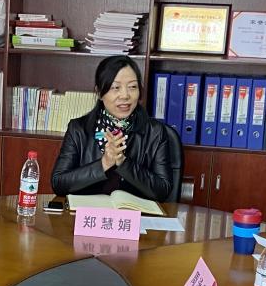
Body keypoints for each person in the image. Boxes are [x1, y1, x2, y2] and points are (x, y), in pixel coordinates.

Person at [51, 55, 174, 203]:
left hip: (134, 214)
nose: (125, 95)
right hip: (88, 213)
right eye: (116, 87)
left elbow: (163, 190)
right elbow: (59, 183)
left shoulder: (155, 132)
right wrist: (105, 163)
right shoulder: (79, 129)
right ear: (99, 93)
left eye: (132, 87)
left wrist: (123, 162)